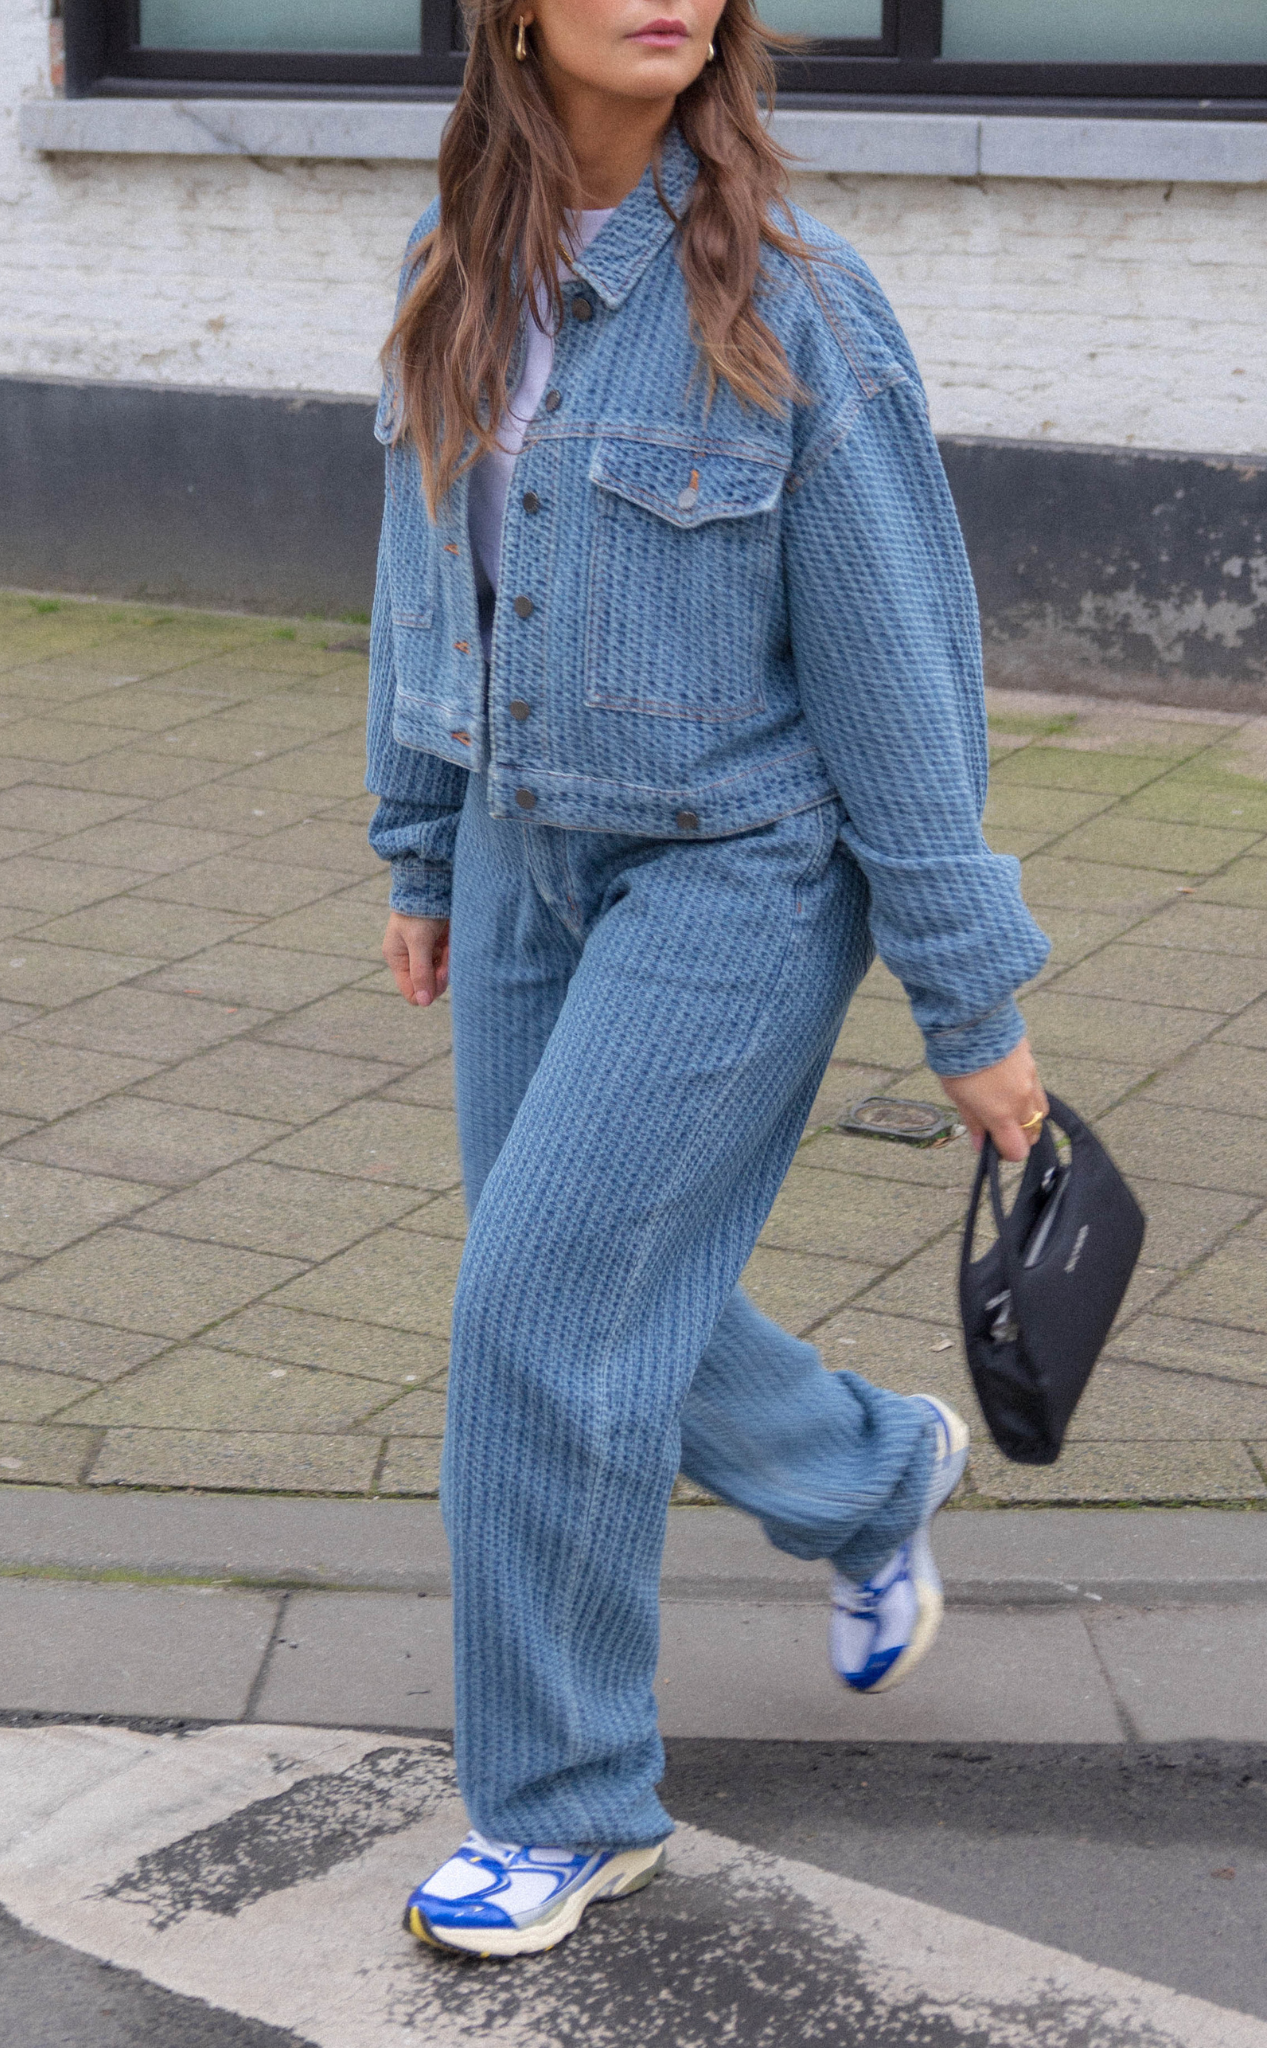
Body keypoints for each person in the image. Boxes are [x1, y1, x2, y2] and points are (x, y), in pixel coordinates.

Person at [367, 0, 1051, 1962]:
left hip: (739, 872)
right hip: (517, 849)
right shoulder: (446, 275)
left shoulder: (794, 308)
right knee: (588, 1296)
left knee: (530, 1321)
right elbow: (425, 564)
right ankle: (869, 1472)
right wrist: (415, 835)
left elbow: (902, 682)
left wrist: (971, 999)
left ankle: (565, 1802)